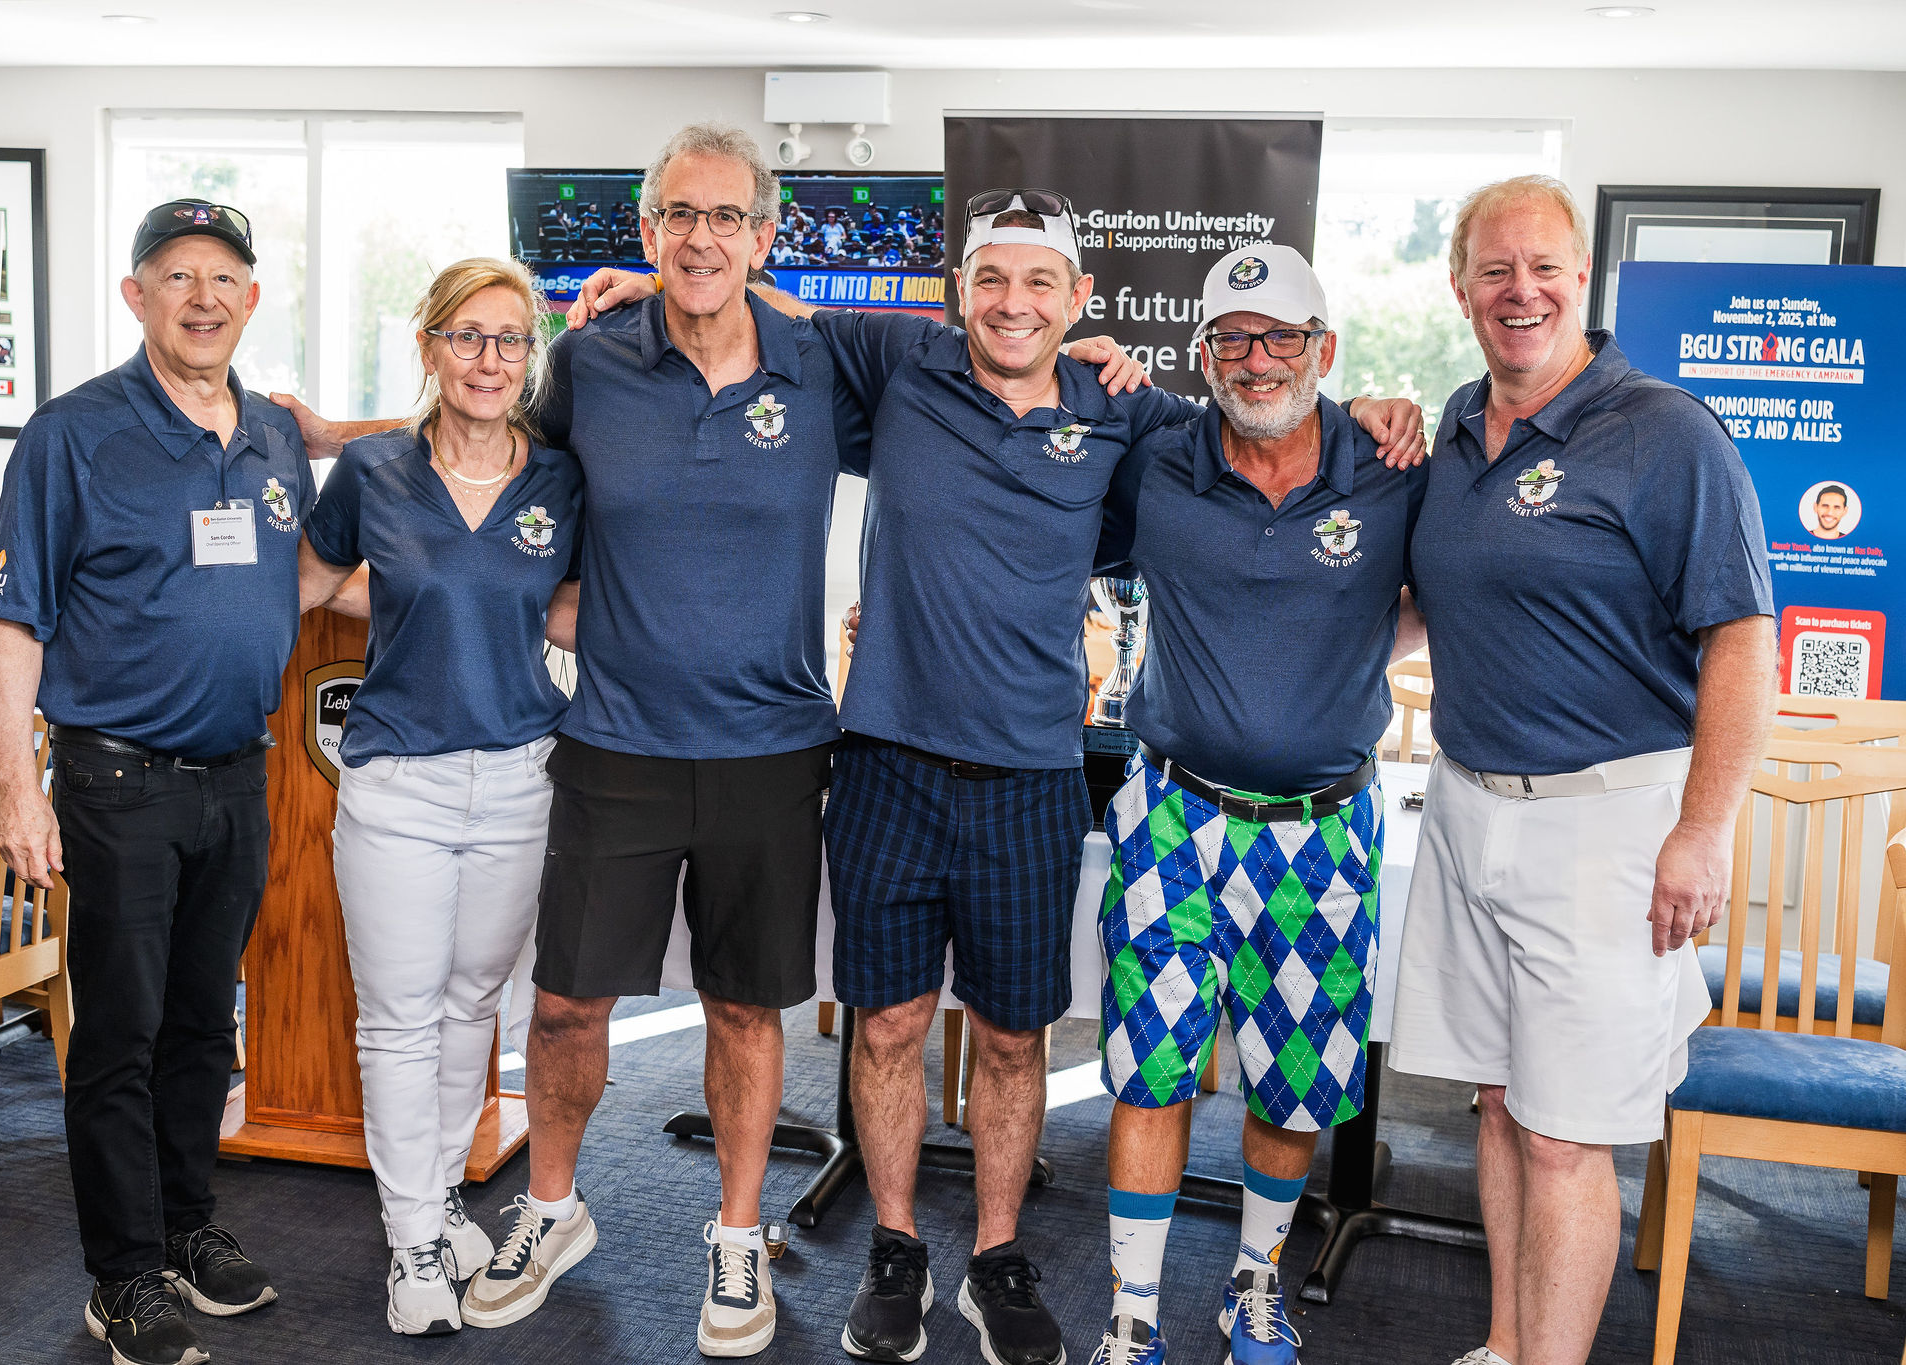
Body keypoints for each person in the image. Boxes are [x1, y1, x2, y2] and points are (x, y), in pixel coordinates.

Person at [571, 196, 1424, 1365]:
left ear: (1079, 300)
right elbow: (765, 313)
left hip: (1030, 774)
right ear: (958, 288)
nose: (1012, 303)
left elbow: (1264, 417)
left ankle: (997, 1256)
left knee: (1017, 1037)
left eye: (1038, 283)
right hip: (885, 761)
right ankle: (893, 1245)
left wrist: (1369, 409)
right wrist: (656, 283)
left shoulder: (1125, 412)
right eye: (990, 279)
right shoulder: (898, 361)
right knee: (887, 1026)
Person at [282, 121, 870, 1359]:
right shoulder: (591, 359)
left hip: (770, 744)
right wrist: (329, 438)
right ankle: (549, 1212)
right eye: (677, 215)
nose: (699, 238)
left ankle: (736, 1238)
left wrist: (1098, 369)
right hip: (609, 740)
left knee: (743, 1011)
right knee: (560, 1007)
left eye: (726, 217)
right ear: (646, 230)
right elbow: (472, 425)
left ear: (764, 236)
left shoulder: (824, 363)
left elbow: (979, 392)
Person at [1387, 175, 1776, 1365]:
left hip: (1606, 828)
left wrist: (1700, 833)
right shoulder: (1456, 425)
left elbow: (1740, 642)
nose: (1522, 292)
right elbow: (1422, 603)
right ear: (1458, 288)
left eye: (1543, 267)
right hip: (1465, 807)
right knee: (1500, 1106)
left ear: (1582, 280)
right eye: (1494, 270)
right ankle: (1505, 1348)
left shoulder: (1664, 432)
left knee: (1565, 1137)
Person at [1085, 245, 1427, 1365]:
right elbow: (1031, 386)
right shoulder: (1158, 456)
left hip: (1325, 828)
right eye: (1231, 338)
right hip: (1172, 817)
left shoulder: (1392, 468)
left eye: (1281, 336)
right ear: (1203, 355)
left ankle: (1253, 1285)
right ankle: (1133, 1313)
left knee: (1295, 1080)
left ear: (1323, 349)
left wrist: (1352, 641)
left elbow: (1440, 596)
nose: (1256, 358)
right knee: (1151, 1065)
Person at [0, 199, 307, 1365]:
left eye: (223, 278)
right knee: (120, 1034)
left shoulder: (270, 435)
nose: (202, 298)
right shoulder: (72, 434)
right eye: (177, 276)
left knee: (204, 1025)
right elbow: (13, 619)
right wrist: (18, 788)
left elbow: (295, 580)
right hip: (118, 781)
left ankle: (184, 1228)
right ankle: (121, 1277)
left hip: (238, 777)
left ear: (250, 299)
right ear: (137, 295)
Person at [295, 257, 583, 1337]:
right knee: (401, 1018)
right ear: (429, 346)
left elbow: (564, 609)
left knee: (473, 1006)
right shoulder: (372, 470)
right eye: (467, 336)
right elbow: (303, 584)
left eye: (509, 340)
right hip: (398, 781)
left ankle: (444, 1199)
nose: (489, 359)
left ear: (529, 357)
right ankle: (412, 1237)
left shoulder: (558, 481)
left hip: (519, 778)